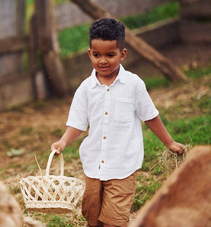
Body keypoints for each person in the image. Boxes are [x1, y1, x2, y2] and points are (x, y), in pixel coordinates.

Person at [50, 17, 186, 227]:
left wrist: (169, 143)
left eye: (110, 55)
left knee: (115, 220)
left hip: (123, 164)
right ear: (89, 54)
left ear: (122, 54)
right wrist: (62, 142)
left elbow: (150, 116)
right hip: (93, 165)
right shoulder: (86, 89)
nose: (102, 61)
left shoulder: (133, 85)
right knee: (93, 218)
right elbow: (77, 123)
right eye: (96, 55)